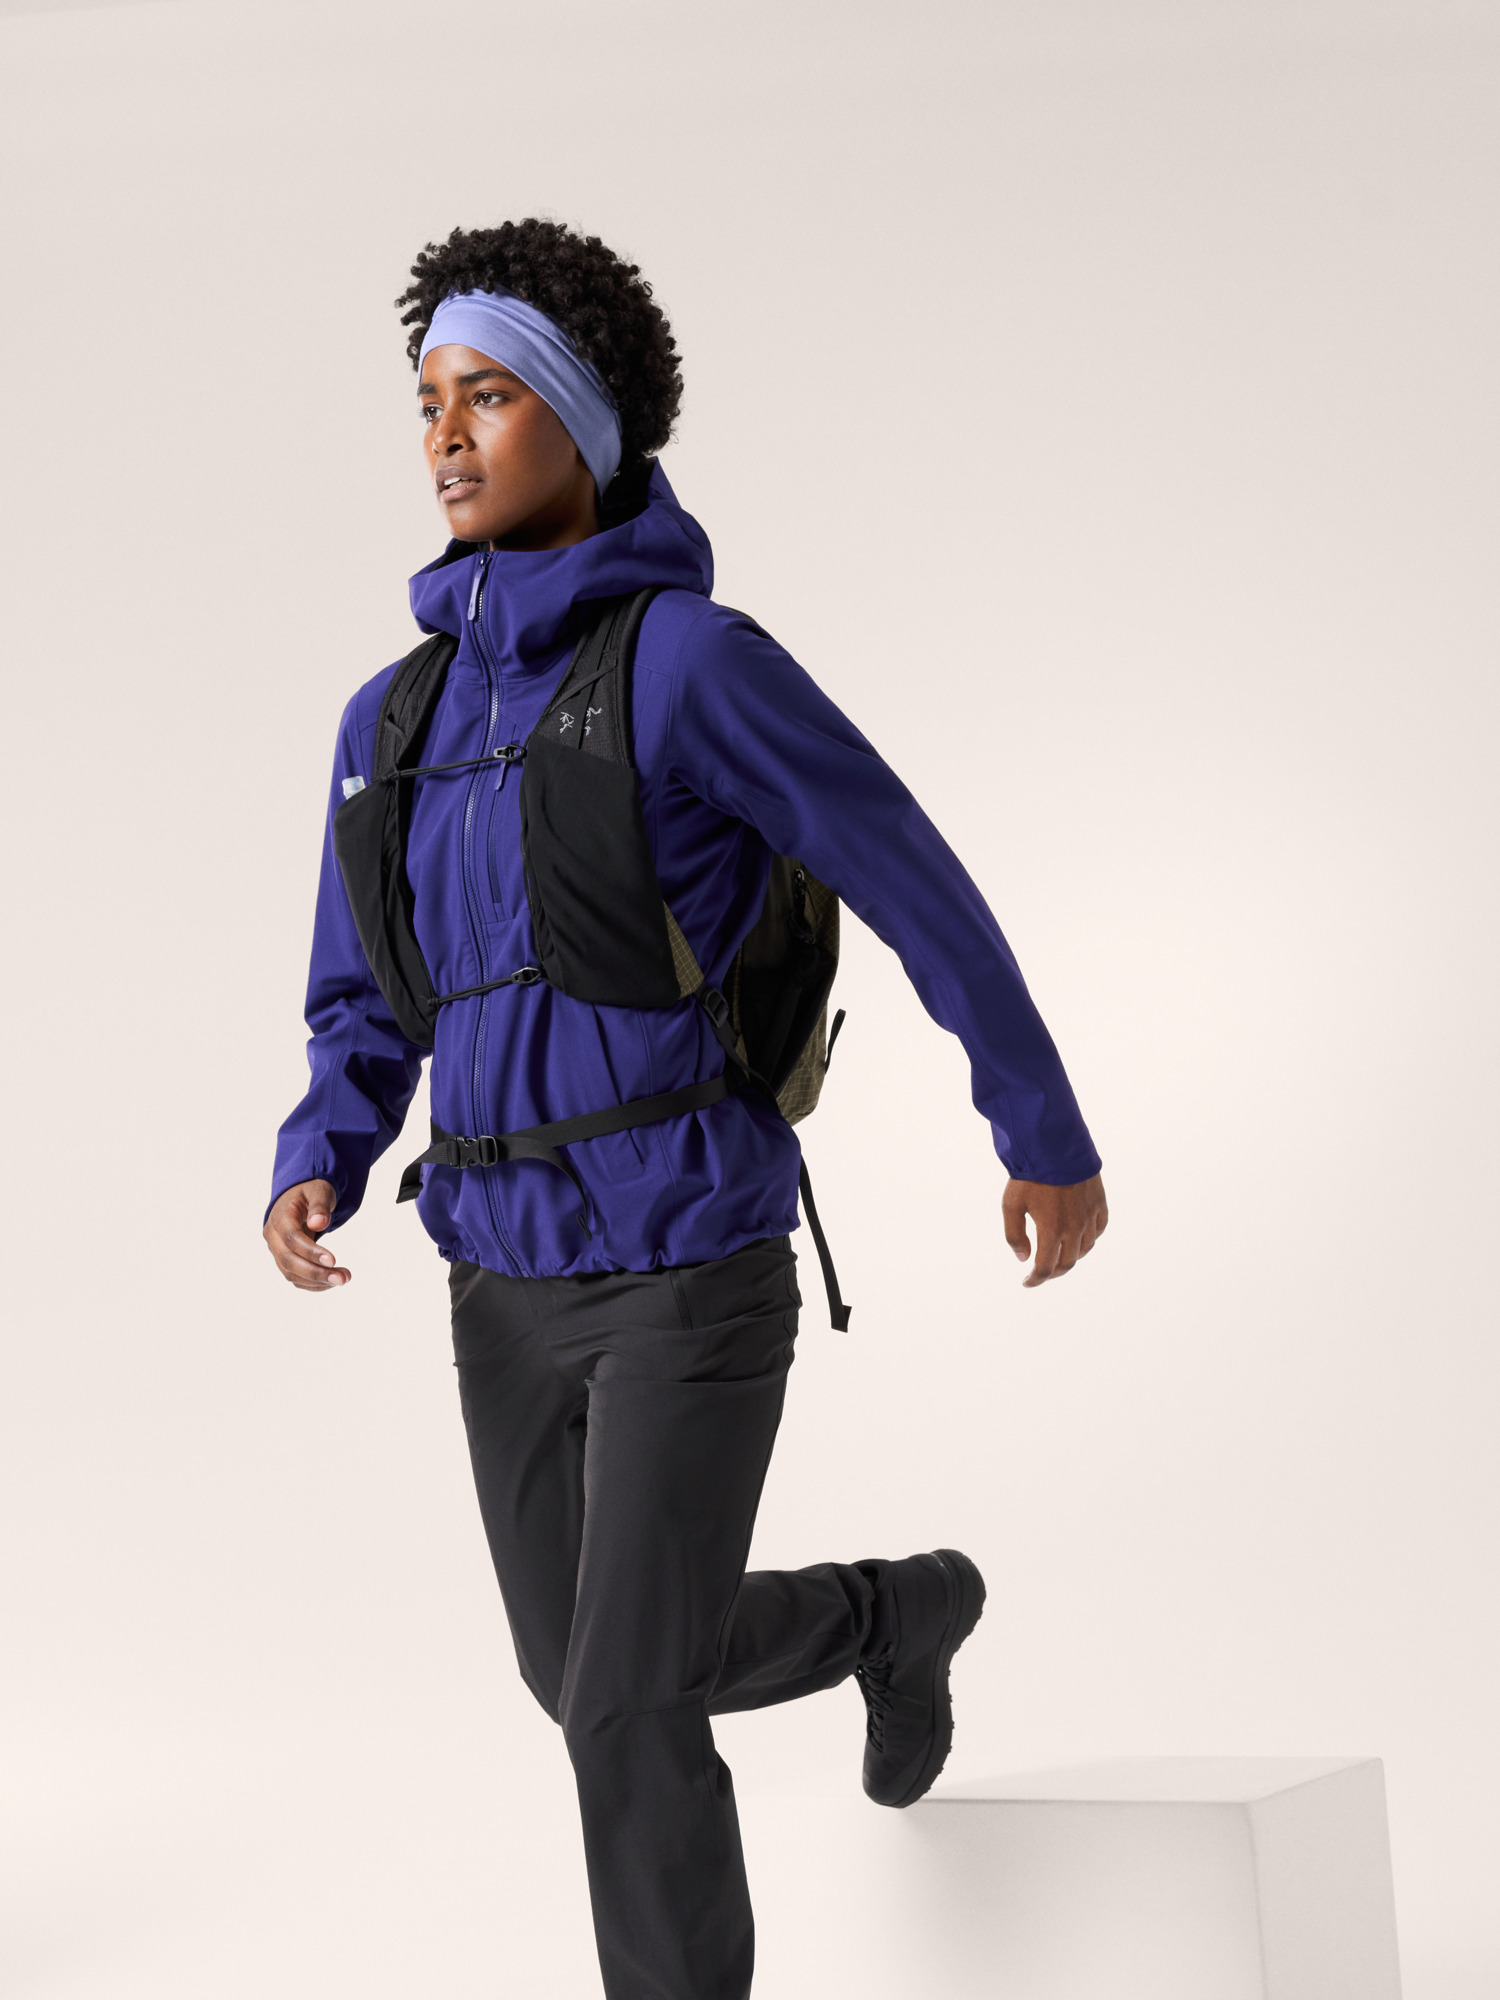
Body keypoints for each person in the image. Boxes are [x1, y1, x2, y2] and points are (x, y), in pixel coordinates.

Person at [263, 217, 1107, 2000]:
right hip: (497, 1277)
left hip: (687, 1259)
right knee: (580, 1672)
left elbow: (910, 877)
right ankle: (892, 1614)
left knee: (625, 1707)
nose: (447, 437)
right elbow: (366, 990)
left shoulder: (693, 667)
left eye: (490, 396)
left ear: (584, 421)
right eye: (427, 402)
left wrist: (1037, 1123)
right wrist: (320, 1149)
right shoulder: (385, 720)